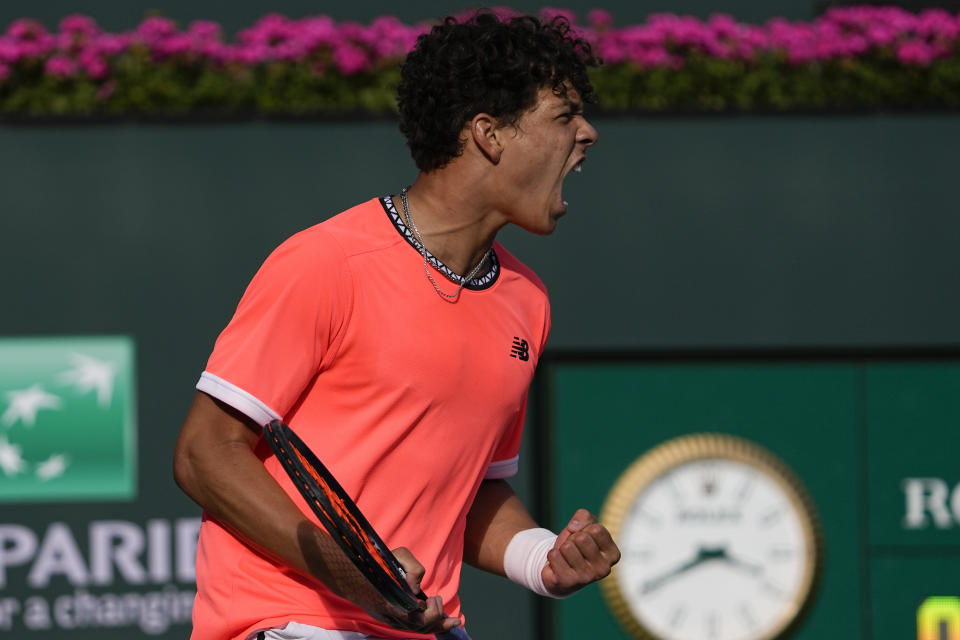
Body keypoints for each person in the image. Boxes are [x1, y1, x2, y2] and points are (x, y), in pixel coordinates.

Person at [173, 11, 620, 640]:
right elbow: (204, 455)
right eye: (563, 115)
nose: (588, 134)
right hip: (291, 626)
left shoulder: (528, 302)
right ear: (489, 134)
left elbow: (467, 496)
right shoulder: (328, 262)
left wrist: (541, 560)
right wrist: (360, 571)